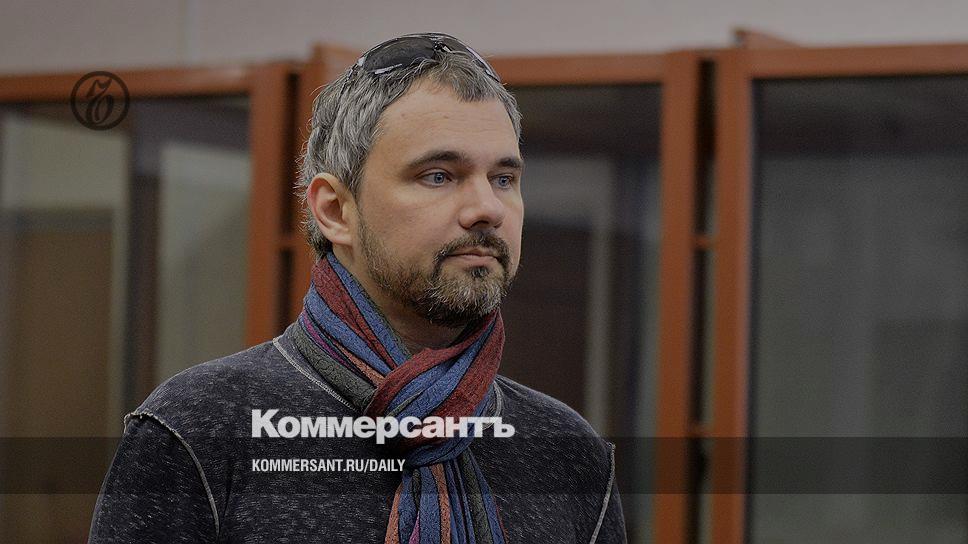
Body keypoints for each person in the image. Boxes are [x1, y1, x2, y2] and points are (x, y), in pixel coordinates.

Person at [89, 32, 626, 543]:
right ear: (335, 210)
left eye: (504, 179)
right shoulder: (202, 428)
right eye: (439, 175)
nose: (487, 208)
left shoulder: (568, 453)